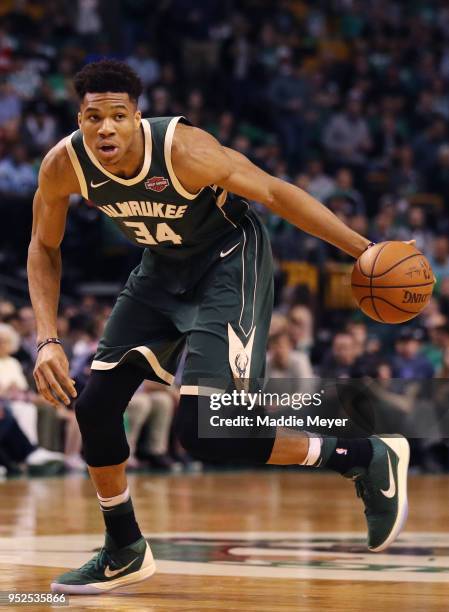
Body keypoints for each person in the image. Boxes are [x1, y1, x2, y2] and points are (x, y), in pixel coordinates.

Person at [27, 60, 409, 595]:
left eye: (119, 115)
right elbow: (44, 245)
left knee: (205, 427)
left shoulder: (185, 149)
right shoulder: (62, 165)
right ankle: (124, 549)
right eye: (94, 117)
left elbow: (274, 193)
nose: (106, 128)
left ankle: (365, 455)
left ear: (138, 117)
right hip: (161, 267)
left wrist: (364, 249)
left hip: (230, 259)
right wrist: (47, 338)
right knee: (94, 406)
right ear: (80, 118)